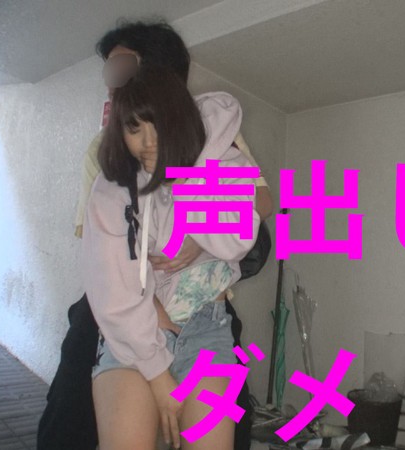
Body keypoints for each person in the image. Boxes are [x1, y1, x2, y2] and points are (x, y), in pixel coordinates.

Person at [37, 20, 270, 450]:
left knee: (232, 428)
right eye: (110, 71)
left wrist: (196, 232)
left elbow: (256, 218)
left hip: (207, 310)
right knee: (66, 419)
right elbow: (107, 261)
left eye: (123, 67)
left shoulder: (219, 140)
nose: (114, 82)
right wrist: (152, 331)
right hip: (125, 305)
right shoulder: (105, 156)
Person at [83, 64, 257, 449]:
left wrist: (186, 177)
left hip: (208, 329)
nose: (147, 142)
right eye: (134, 129)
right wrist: (158, 374)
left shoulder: (225, 161)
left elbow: (238, 239)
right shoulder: (112, 188)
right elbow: (113, 288)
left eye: (158, 125)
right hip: (136, 333)